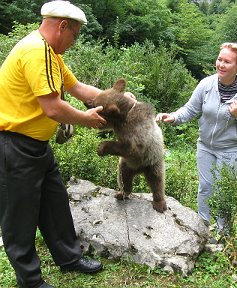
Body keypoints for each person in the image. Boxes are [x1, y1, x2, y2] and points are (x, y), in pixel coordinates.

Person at [0, 1, 135, 287]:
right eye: (74, 35)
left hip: (36, 145)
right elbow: (53, 107)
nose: (74, 42)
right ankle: (30, 280)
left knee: (54, 202)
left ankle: (69, 258)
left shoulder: (51, 53)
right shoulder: (36, 51)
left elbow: (78, 89)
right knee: (20, 216)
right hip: (14, 145)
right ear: (62, 26)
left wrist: (119, 99)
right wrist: (87, 120)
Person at [156, 42, 237, 242]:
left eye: (227, 61)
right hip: (205, 146)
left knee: (223, 190)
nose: (221, 64)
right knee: (205, 187)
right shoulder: (206, 85)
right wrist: (174, 117)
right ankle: (201, 228)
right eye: (219, 59)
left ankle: (224, 234)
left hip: (231, 149)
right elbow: (191, 109)